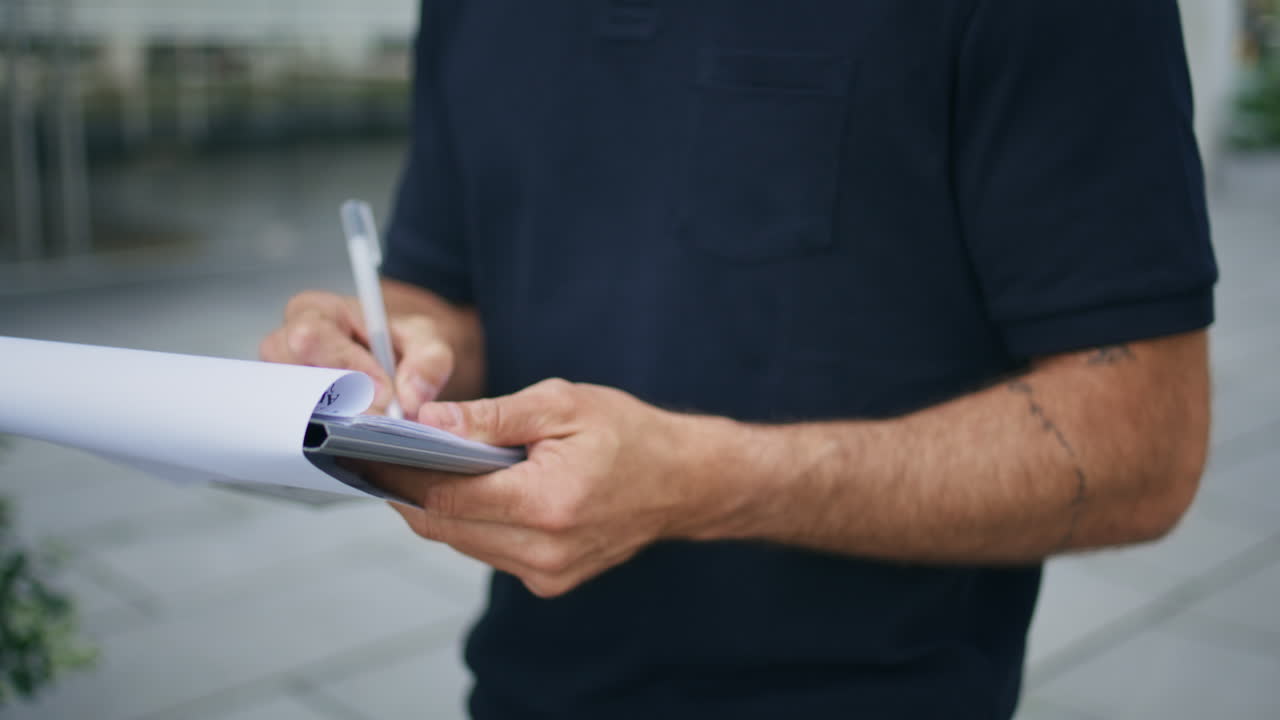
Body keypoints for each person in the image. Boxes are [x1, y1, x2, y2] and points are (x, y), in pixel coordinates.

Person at [260, 2, 1218, 717]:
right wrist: (395, 359)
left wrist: (712, 480)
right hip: (520, 689)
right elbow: (448, 294)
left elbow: (1143, 443)